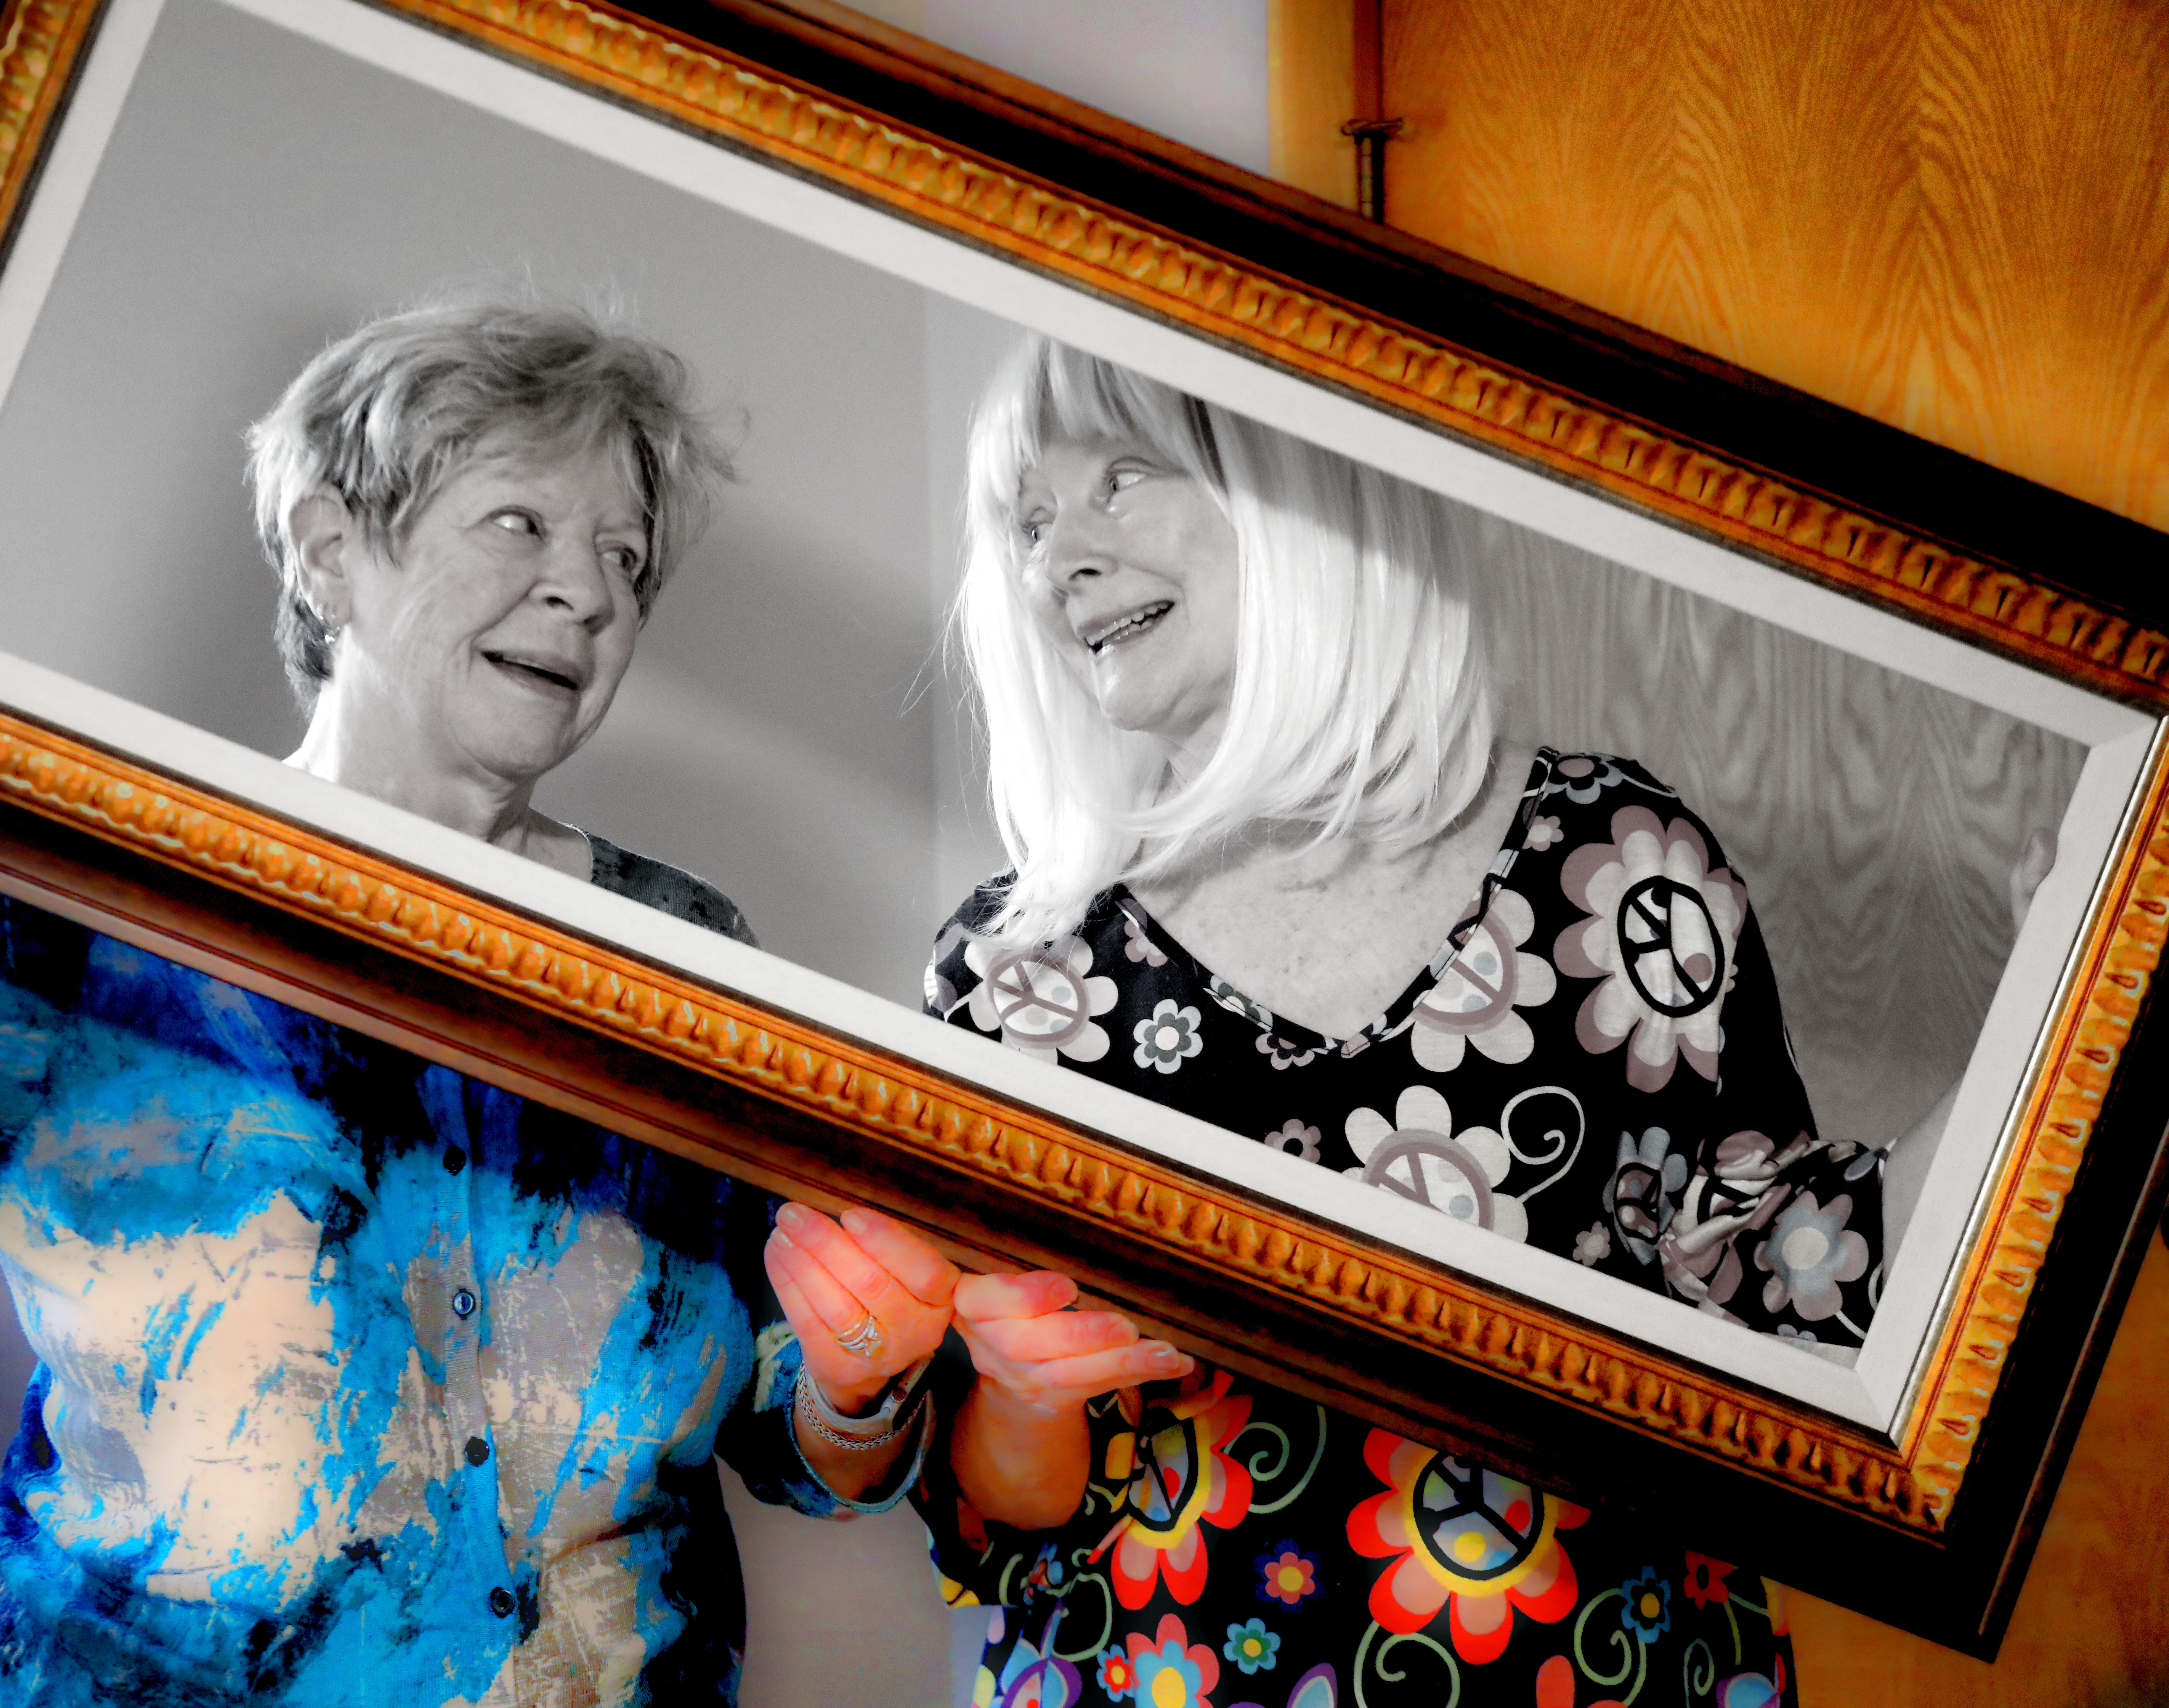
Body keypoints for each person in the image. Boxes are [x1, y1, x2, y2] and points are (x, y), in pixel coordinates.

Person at [0, 297, 957, 1706]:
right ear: (328, 552)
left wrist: (860, 1376)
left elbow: (803, 1445)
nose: (589, 592)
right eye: (520, 523)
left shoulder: (684, 954)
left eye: (626, 555)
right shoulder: (77, 911)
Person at [789, 339, 1882, 1708]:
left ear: (1299, 477)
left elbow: (1784, 1271)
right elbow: (1005, 1518)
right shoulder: (1010, 975)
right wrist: (1022, 1394)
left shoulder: (1621, 863)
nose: (1058, 557)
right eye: (1030, 519)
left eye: (1122, 476)